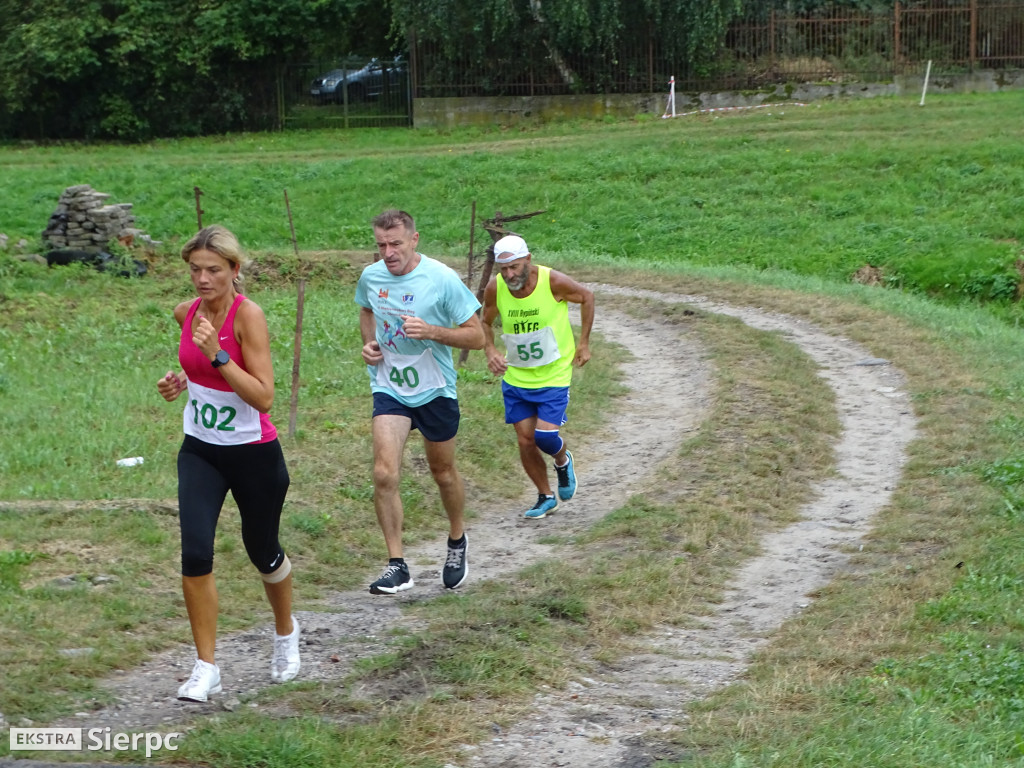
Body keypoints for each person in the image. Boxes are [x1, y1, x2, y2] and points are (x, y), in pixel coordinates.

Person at [156, 225, 300, 702]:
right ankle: (206, 666)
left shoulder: (247, 317)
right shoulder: (186, 313)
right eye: (195, 269)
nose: (202, 279)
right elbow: (198, 370)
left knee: (263, 551)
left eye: (213, 270)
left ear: (235, 271)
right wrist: (181, 380)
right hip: (200, 450)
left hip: (253, 454)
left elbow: (263, 396)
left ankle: (285, 632)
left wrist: (217, 355)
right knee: (195, 553)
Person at [355, 209, 485, 595]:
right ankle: (397, 564)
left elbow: (476, 337)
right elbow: (366, 308)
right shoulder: (371, 276)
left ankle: (457, 539)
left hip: (435, 389)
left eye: (395, 244)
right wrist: (369, 343)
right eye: (381, 245)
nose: (388, 253)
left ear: (414, 239)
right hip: (390, 387)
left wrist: (433, 332)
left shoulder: (441, 278)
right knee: (383, 473)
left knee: (443, 472)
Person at [482, 234, 594, 519]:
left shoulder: (552, 281)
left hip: (554, 373)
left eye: (515, 267)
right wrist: (491, 350)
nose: (510, 274)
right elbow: (485, 321)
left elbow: (586, 297)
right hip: (517, 376)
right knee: (524, 441)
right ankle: (545, 496)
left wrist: (583, 342)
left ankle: (562, 460)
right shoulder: (496, 288)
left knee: (544, 436)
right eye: (504, 269)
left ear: (528, 260)